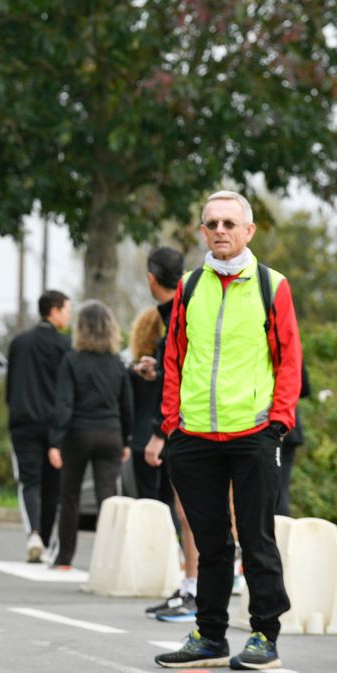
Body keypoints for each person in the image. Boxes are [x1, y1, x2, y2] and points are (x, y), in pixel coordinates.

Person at [153, 190, 301, 671]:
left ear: (248, 231)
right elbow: (174, 357)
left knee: (256, 539)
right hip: (194, 435)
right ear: (202, 231)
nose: (220, 230)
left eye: (229, 223)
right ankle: (210, 636)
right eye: (212, 223)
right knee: (211, 543)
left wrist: (279, 421)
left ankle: (263, 636)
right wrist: (172, 422)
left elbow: (289, 358)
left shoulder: (271, 285)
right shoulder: (190, 287)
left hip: (253, 432)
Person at [139, 246, 201, 623]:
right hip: (191, 420)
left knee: (194, 510)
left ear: (151, 278)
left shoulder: (184, 307)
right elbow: (174, 366)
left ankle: (198, 590)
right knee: (188, 510)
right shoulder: (179, 307)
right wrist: (159, 367)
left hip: (193, 422)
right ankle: (192, 586)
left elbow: (183, 373)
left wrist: (159, 432)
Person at [47, 300, 133, 570]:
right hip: (111, 434)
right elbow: (126, 404)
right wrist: (126, 439)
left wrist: (55, 442)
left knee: (70, 495)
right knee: (107, 498)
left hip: (79, 434)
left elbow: (64, 404)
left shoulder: (72, 360)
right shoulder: (117, 363)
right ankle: (110, 561)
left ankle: (64, 559)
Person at [5, 290, 72, 563]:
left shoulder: (19, 343)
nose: (69, 316)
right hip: (55, 426)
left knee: (29, 481)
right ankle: (44, 538)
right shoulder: (64, 345)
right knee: (53, 485)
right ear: (54, 310)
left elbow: (10, 385)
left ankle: (33, 535)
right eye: (67, 310)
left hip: (23, 422)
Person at [128, 307, 165, 500]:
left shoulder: (135, 370)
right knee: (170, 498)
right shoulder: (171, 367)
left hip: (141, 437)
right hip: (169, 434)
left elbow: (128, 406)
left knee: (146, 498)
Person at [277, 362, 310, 516]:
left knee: (276, 491)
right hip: (284, 428)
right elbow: (304, 388)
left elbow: (304, 388)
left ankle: (280, 529)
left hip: (278, 428)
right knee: (279, 490)